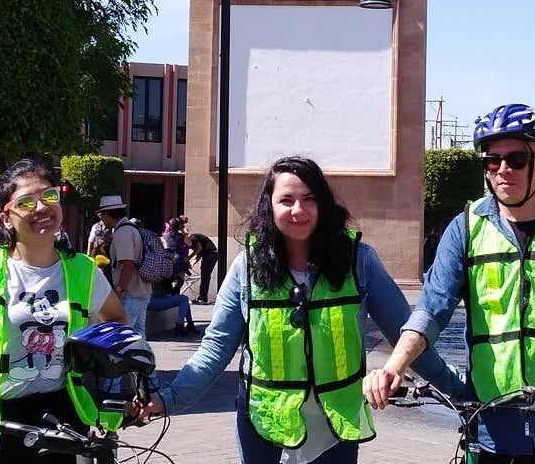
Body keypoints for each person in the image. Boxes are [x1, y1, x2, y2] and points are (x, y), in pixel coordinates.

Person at [149, 156, 461, 463]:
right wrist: (167, 399)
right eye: (286, 200)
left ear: (324, 205)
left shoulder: (359, 261)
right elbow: (215, 349)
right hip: (265, 424)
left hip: (335, 426)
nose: (298, 210)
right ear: (269, 207)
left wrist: (461, 391)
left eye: (309, 199)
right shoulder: (247, 267)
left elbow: (409, 335)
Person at [365, 103, 535, 462]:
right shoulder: (465, 227)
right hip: (494, 425)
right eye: (491, 161)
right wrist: (393, 367)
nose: (503, 170)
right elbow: (432, 309)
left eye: (516, 159)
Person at [0, 157, 134, 461]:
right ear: (6, 217)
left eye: (49, 196)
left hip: (62, 412)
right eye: (26, 202)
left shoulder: (82, 269)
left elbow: (117, 322)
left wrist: (104, 369)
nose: (41, 208)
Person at [95, 195, 154, 339]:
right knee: (138, 334)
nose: (101, 219)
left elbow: (128, 263)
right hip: (141, 290)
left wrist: (119, 291)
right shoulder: (130, 228)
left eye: (101, 214)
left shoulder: (122, 232)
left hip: (131, 293)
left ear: (109, 213)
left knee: (122, 334)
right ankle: (140, 360)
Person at [188, 230, 220, 304]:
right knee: (204, 276)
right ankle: (202, 297)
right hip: (208, 255)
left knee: (205, 276)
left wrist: (189, 257)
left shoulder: (193, 238)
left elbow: (199, 249)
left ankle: (202, 298)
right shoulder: (193, 239)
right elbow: (199, 252)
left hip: (211, 254)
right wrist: (193, 262)